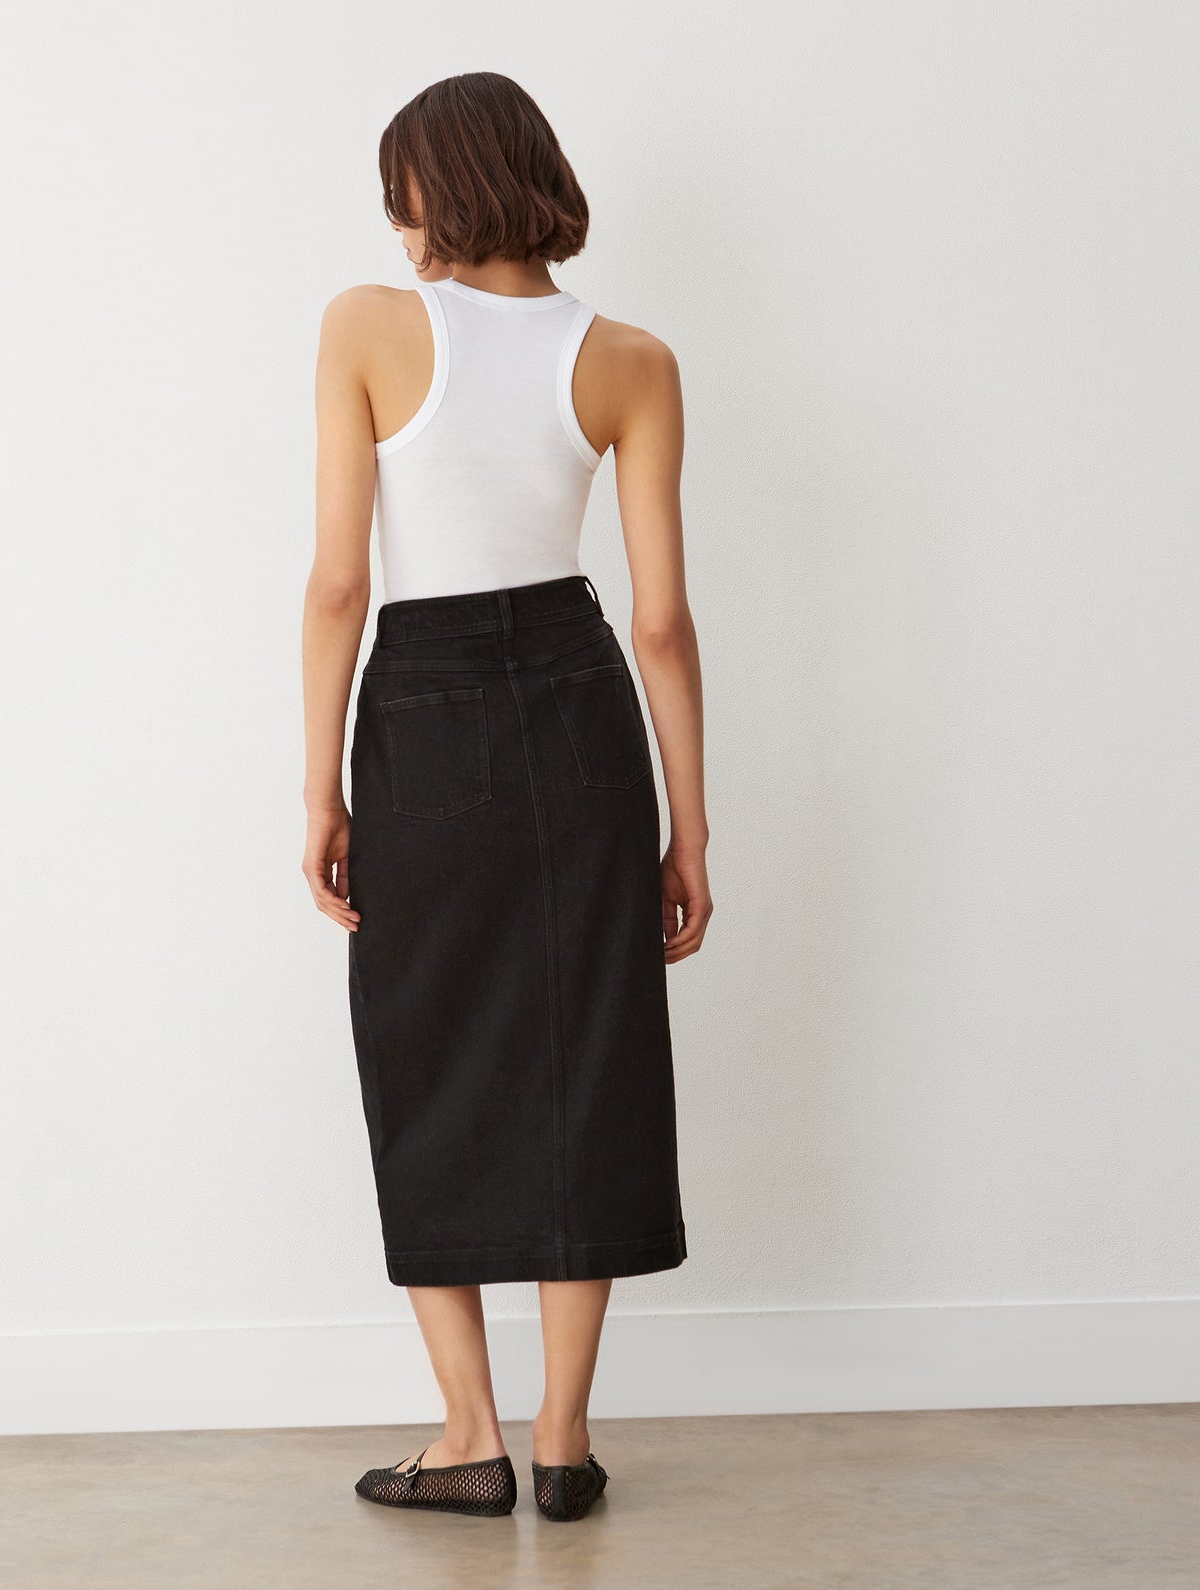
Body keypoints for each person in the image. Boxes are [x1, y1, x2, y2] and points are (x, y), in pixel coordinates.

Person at [301, 71, 712, 1523]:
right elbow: (660, 620)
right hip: (578, 699)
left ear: (437, 188)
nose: (395, 219)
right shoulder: (632, 359)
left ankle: (464, 1430)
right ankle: (560, 1437)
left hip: (418, 705)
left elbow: (342, 580)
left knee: (427, 1049)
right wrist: (690, 825)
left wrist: (319, 786)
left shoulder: (366, 326)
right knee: (583, 1044)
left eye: (400, 188)